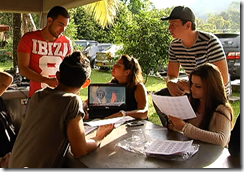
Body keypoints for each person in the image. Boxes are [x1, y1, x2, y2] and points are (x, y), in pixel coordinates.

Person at [8, 51, 114, 168]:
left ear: (57, 75)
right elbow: (80, 150)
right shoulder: (72, 101)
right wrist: (99, 137)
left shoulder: (38, 95)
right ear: (86, 83)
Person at [154, 6, 231, 126]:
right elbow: (172, 75)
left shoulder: (210, 42)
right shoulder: (175, 46)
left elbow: (223, 80)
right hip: (193, 89)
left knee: (204, 127)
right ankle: (172, 128)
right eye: (169, 24)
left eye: (174, 24)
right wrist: (171, 83)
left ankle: (187, 128)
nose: (169, 28)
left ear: (188, 25)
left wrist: (192, 87)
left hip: (214, 93)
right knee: (160, 96)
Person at [167, 63, 234, 147]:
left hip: (211, 156)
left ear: (211, 87)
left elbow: (221, 139)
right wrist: (173, 124)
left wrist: (184, 127)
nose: (192, 89)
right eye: (192, 84)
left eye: (198, 86)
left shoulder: (222, 109)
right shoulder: (193, 103)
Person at [18, 6, 73, 98]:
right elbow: (23, 69)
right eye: (60, 24)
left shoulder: (66, 43)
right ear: (49, 21)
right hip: (37, 97)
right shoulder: (29, 39)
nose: (63, 30)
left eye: (65, 26)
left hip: (60, 97)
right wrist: (46, 80)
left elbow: (70, 70)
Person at [84, 54, 148, 120]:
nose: (114, 66)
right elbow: (91, 100)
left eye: (119, 65)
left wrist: (123, 114)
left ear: (127, 72)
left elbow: (144, 113)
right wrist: (84, 106)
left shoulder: (138, 87)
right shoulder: (111, 85)